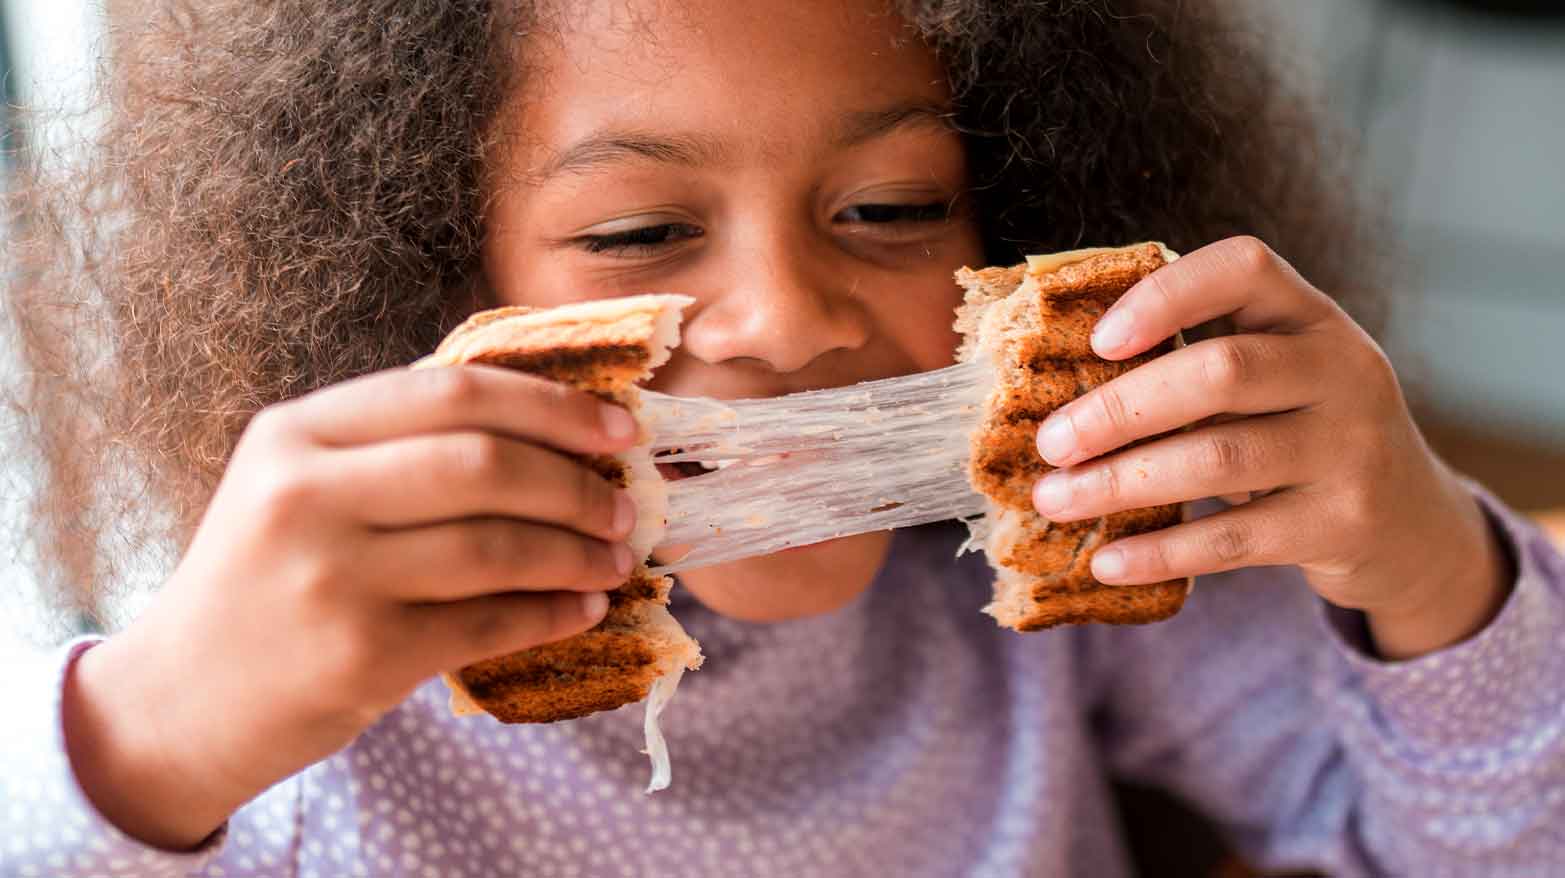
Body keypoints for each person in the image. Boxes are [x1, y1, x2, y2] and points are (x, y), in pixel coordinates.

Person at [3, 1, 1561, 875]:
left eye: (887, 210)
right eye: (637, 230)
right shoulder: (322, 715)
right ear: (437, 275)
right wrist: (149, 741)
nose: (786, 316)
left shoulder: (1063, 606)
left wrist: (1421, 551)